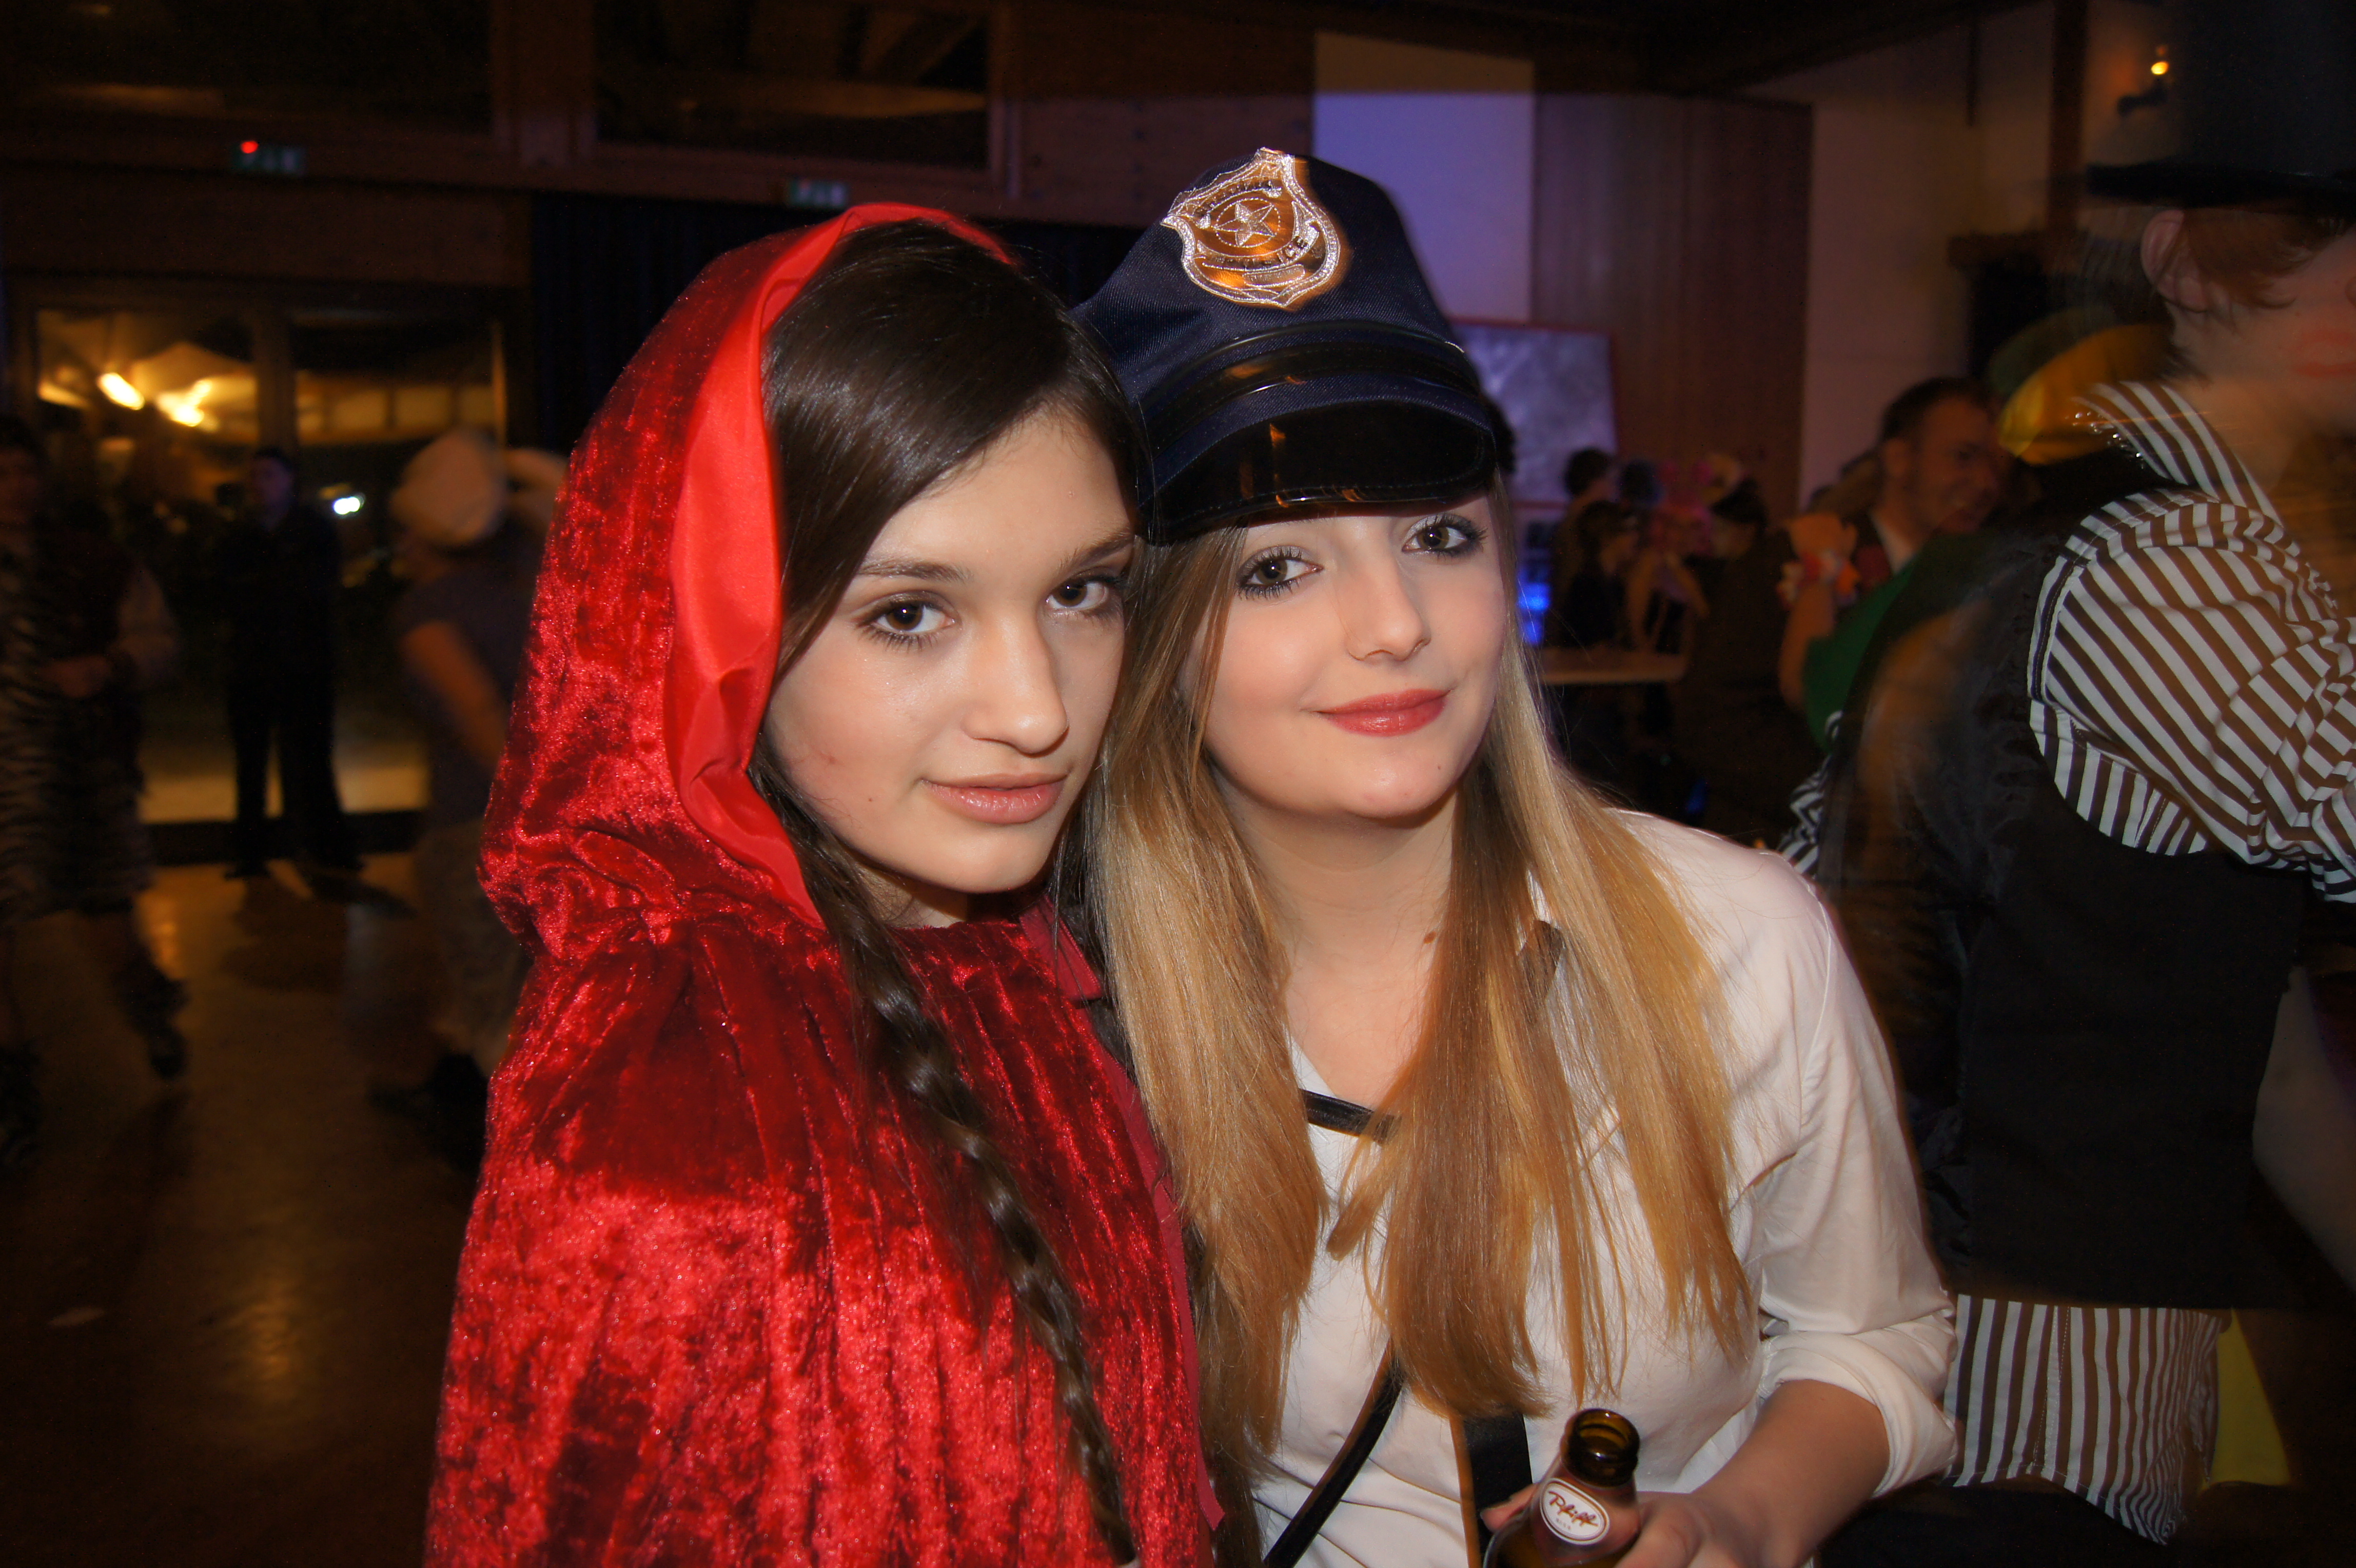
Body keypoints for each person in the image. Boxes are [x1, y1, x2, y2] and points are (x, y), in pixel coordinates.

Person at [1073, 148, 1953, 1568]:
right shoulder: (1073, 1022)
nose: (1397, 623)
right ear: (1159, 640)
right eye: (1279, 566)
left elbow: (1873, 1335)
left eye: (1439, 535)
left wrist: (1736, 1520)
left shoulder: (1735, 939)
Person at [425, 211, 1212, 1566]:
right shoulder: (672, 1130)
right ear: (723, 627)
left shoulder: (1021, 965)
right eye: (908, 613)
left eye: (1083, 592)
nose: (1036, 709)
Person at [1796, 4, 2356, 1558]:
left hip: (1958, 1363)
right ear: (2189, 260)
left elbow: (2246, 1041)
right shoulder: (2193, 571)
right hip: (2019, 1401)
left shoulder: (2084, 536)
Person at [0, 417, 186, 1169]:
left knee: (108, 927)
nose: (16, 487)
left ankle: (152, 1013)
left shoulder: (88, 562)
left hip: (77, 772)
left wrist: (106, 667)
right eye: (2, 473)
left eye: (25, 471)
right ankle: (13, 1098)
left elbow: (160, 642)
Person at [387, 429, 540, 1082]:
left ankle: (512, 1136)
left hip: (474, 822)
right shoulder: (527, 592)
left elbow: (475, 708)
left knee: (494, 1006)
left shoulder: (426, 611)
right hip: (538, 817)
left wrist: (523, 810)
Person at [1775, 379, 2002, 748]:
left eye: (1996, 464)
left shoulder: (1991, 577)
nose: (1985, 483)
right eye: (1963, 457)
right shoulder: (1802, 553)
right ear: (1899, 460)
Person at [218, 446, 357, 878]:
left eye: (268, 475)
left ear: (289, 480)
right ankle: (264, 851)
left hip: (300, 662)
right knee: (257, 760)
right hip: (259, 662)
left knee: (308, 757)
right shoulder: (247, 534)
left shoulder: (306, 532)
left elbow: (311, 589)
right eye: (255, 476)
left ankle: (320, 847)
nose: (260, 485)